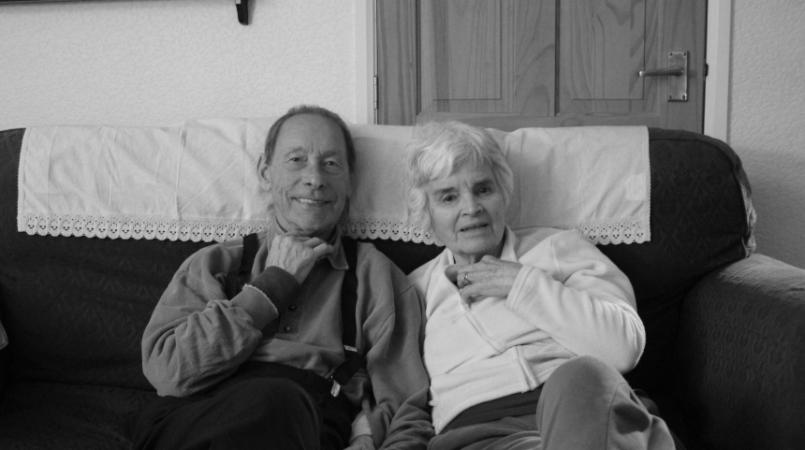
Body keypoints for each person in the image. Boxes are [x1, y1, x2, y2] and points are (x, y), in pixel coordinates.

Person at [132, 105, 432, 450]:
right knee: (271, 402)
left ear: (350, 181)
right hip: (197, 417)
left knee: (280, 403)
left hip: (308, 423)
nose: (315, 179)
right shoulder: (215, 263)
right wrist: (273, 284)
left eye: (331, 164)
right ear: (265, 172)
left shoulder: (376, 275)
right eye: (296, 160)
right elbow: (168, 372)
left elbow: (406, 405)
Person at [405, 121, 676, 450]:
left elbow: (623, 347)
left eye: (483, 189)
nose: (471, 208)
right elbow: (398, 392)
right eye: (448, 197)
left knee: (580, 377)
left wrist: (523, 284)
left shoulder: (558, 248)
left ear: (504, 193)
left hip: (587, 418)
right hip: (485, 437)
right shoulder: (414, 291)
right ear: (426, 213)